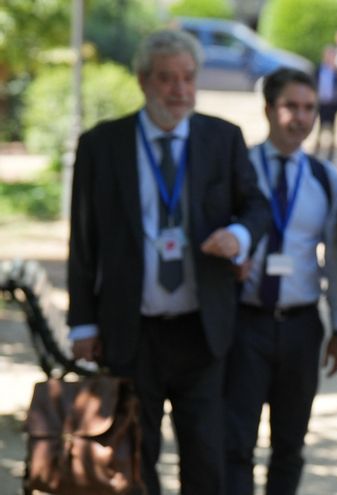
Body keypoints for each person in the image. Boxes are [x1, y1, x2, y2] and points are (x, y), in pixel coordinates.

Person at [67, 29, 270, 495]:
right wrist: (82, 323)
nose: (178, 90)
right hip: (130, 330)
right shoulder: (102, 145)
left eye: (187, 78)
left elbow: (256, 207)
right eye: (166, 79)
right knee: (135, 457)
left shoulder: (222, 138)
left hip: (202, 329)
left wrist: (239, 236)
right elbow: (83, 240)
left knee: (206, 457)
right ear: (143, 81)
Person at [224, 68, 337, 495]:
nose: (301, 118)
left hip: (300, 325)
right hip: (245, 324)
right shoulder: (238, 167)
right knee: (236, 443)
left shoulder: (322, 177)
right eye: (290, 107)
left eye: (309, 108)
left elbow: (335, 259)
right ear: (268, 110)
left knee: (290, 445)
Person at [315, 45, 337, 160]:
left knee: (332, 127)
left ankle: (331, 151)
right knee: (320, 126)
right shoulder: (319, 69)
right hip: (321, 102)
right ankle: (318, 148)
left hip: (332, 103)